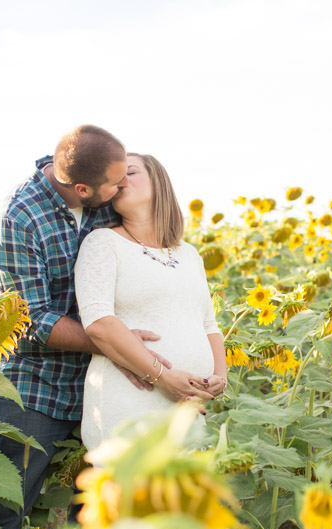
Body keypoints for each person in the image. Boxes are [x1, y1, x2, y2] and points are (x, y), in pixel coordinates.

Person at [0, 126, 166, 529]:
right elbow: (29, 321)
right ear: (82, 188)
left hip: (99, 383)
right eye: (115, 182)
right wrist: (116, 342)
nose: (122, 187)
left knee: (98, 514)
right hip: (32, 388)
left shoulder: (104, 201)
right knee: (2, 515)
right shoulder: (16, 217)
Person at [74, 153, 227, 453]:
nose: (121, 181)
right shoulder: (103, 243)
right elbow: (99, 323)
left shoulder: (189, 254)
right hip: (130, 402)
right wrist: (162, 376)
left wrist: (219, 376)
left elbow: (208, 323)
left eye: (129, 172)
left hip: (187, 408)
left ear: (159, 182)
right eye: (114, 178)